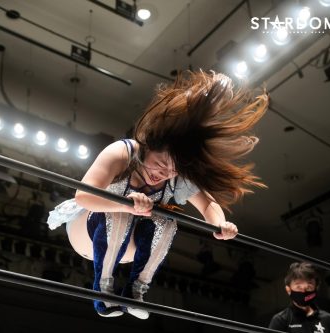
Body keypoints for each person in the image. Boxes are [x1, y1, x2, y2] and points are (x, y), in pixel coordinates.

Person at [48, 70, 268, 319]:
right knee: (120, 214)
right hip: (87, 231)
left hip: (127, 250)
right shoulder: (122, 152)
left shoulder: (176, 174)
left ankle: (136, 291)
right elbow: (83, 196)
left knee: (167, 220)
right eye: (160, 164)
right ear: (148, 146)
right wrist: (126, 205)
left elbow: (208, 204)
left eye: (172, 170)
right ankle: (103, 290)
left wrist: (220, 225)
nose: (163, 174)